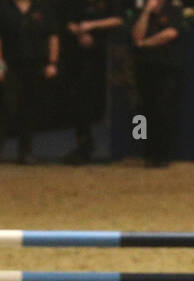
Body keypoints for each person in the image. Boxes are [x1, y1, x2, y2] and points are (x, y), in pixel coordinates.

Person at [60, 0, 123, 163]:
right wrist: (79, 31)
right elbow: (67, 21)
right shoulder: (75, 4)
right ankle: (84, 145)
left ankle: (137, 142)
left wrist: (91, 25)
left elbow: (119, 19)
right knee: (78, 101)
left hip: (108, 59)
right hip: (77, 59)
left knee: (107, 103)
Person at [0, 0, 60, 164]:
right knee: (6, 108)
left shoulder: (43, 7)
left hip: (37, 65)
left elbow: (52, 36)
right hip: (10, 66)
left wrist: (52, 63)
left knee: (30, 109)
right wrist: (0, 64)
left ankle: (25, 152)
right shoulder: (4, 7)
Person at [130, 0, 185, 167]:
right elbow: (136, 36)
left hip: (166, 68)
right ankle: (147, 153)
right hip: (144, 68)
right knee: (143, 113)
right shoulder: (140, 11)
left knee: (163, 109)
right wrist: (146, 13)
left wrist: (146, 43)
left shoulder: (173, 10)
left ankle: (163, 154)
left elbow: (170, 34)